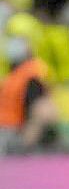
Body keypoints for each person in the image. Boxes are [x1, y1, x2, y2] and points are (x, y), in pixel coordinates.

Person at [0, 14, 58, 154]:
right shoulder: (12, 68)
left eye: (20, 38)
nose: (14, 42)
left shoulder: (35, 71)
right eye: (11, 36)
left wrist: (21, 146)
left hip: (14, 136)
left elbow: (41, 110)